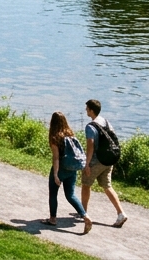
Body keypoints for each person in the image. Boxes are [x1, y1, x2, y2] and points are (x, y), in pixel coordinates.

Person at [82, 99, 128, 228]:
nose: (85, 110)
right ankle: (121, 213)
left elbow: (90, 146)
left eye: (87, 108)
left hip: (96, 161)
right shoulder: (106, 121)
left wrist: (87, 164)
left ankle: (83, 213)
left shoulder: (90, 127)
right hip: (108, 160)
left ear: (91, 110)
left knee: (86, 184)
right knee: (107, 186)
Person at [45, 111, 92, 234]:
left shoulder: (55, 137)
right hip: (72, 169)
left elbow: (56, 158)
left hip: (61, 169)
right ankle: (85, 216)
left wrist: (55, 174)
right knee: (70, 195)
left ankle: (53, 219)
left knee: (53, 194)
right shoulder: (71, 134)